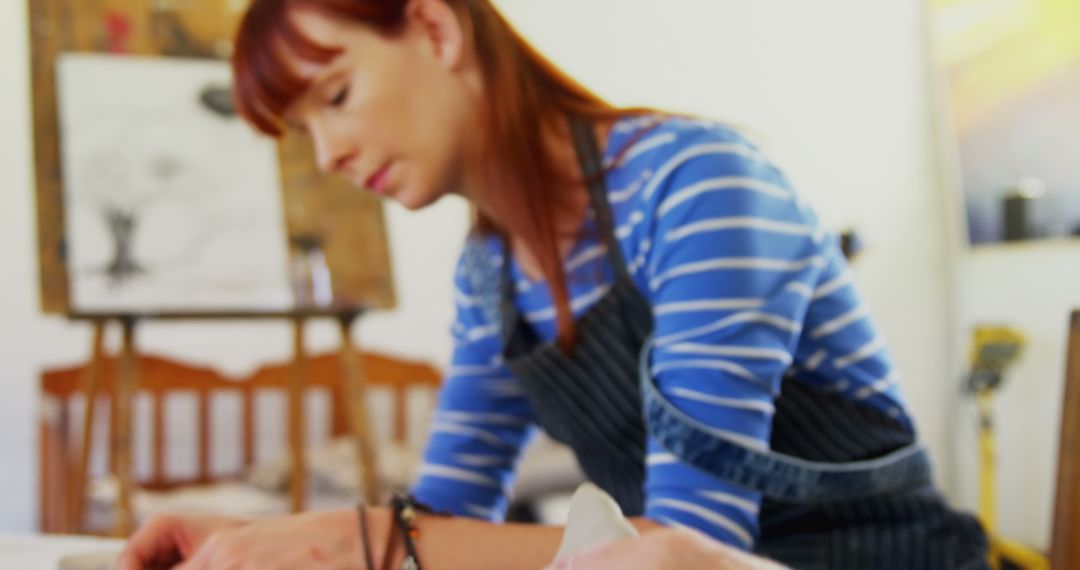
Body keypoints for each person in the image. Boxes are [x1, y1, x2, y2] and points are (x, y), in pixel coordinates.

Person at [118, 0, 989, 568]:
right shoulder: (490, 277)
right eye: (301, 131)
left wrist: (351, 541)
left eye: (336, 95)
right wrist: (273, 543)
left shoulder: (697, 186)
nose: (328, 157)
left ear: (435, 28)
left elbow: (688, 550)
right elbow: (446, 523)